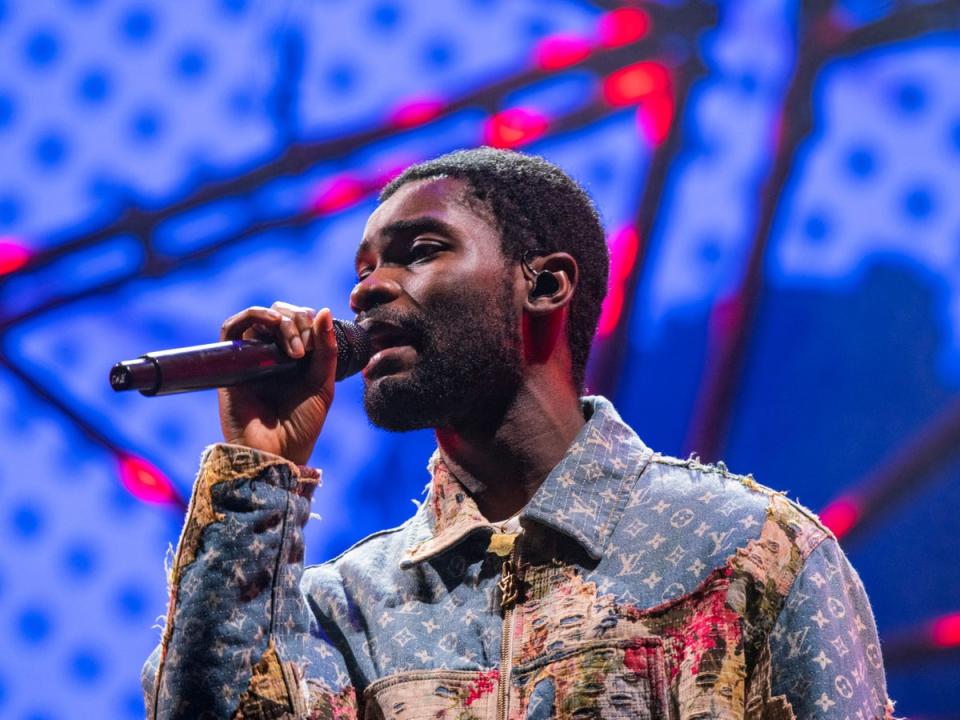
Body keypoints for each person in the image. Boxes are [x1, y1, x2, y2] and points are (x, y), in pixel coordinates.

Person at [142, 148, 895, 719]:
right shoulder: (345, 609)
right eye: (365, 266)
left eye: (420, 251)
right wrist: (257, 469)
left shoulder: (743, 549)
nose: (366, 289)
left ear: (545, 284)